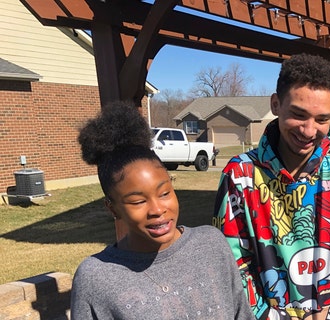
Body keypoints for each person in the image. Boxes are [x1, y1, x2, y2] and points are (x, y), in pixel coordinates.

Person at [213, 54, 330, 320]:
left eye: (321, 119)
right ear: (276, 104)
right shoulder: (240, 174)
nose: (308, 130)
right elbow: (231, 263)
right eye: (298, 114)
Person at [71, 101, 253, 320]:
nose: (157, 209)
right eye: (138, 201)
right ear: (112, 208)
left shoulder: (212, 244)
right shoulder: (95, 277)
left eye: (164, 193)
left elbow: (242, 314)